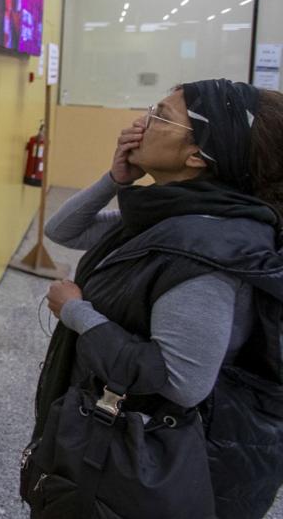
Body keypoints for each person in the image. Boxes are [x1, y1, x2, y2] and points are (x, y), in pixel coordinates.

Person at [24, 79, 283, 518]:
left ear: (198, 155)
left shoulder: (205, 253)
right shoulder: (171, 211)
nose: (138, 124)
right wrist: (115, 178)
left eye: (160, 115)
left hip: (143, 458)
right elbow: (63, 231)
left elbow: (182, 382)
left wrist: (76, 313)